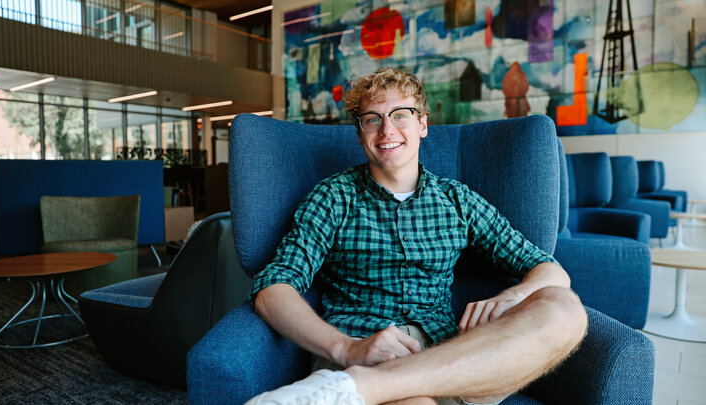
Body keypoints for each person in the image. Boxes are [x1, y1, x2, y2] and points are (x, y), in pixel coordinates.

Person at [245, 67, 587, 405]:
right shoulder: (334, 197)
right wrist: (347, 348)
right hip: (363, 347)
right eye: (372, 119)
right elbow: (273, 287)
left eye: (401, 115)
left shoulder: (457, 200)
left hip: (452, 357)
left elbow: (548, 268)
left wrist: (514, 297)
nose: (386, 129)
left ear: (423, 124)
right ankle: (361, 385)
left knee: (565, 308)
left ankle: (369, 386)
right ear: (360, 133)